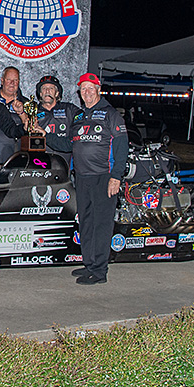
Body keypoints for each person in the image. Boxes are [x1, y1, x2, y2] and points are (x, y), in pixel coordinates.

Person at [70, 73, 128, 286]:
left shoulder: (111, 114)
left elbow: (122, 147)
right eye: (83, 89)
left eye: (90, 88)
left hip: (104, 177)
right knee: (86, 222)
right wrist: (44, 135)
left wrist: (116, 177)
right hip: (82, 177)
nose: (87, 92)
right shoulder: (79, 116)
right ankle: (89, 263)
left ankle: (100, 271)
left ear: (98, 89)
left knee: (101, 224)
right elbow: (69, 144)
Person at [34, 74, 80, 168]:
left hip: (64, 164)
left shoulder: (69, 109)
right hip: (39, 163)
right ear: (40, 93)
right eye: (44, 88)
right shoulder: (33, 112)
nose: (47, 91)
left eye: (51, 88)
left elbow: (85, 121)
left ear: (57, 93)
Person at [0, 66, 27, 163]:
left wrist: (21, 113)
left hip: (17, 153)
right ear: (2, 81)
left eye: (15, 80)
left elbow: (31, 127)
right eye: (9, 79)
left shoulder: (27, 103)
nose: (12, 83)